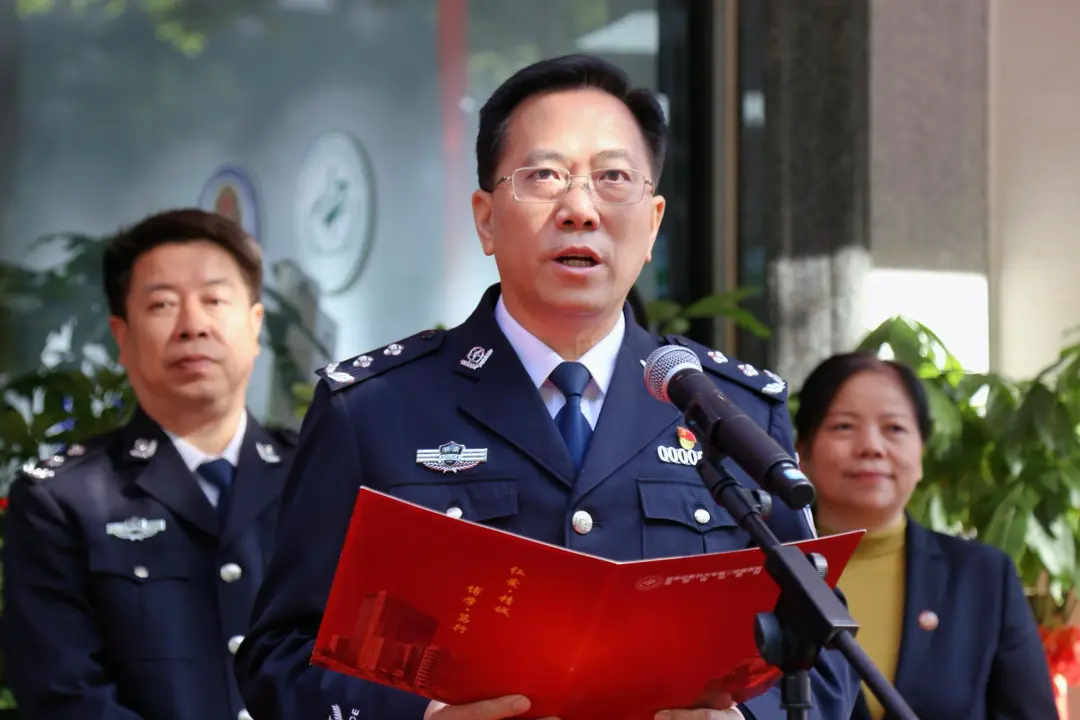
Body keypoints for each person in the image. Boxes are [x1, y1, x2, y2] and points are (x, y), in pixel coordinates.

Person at [235, 54, 859, 720]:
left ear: (652, 223)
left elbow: (824, 657)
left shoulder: (731, 411)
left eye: (613, 178)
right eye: (544, 176)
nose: (580, 209)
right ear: (485, 219)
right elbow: (280, 655)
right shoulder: (373, 410)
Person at [1, 209, 300, 720]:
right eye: (162, 304)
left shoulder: (319, 477)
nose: (193, 326)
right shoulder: (60, 502)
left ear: (255, 326)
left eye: (214, 300)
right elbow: (65, 694)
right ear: (122, 337)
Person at [794, 352, 1057, 719]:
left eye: (894, 428)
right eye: (843, 427)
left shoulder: (984, 576)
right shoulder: (762, 569)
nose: (871, 446)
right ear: (802, 452)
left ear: (921, 452)